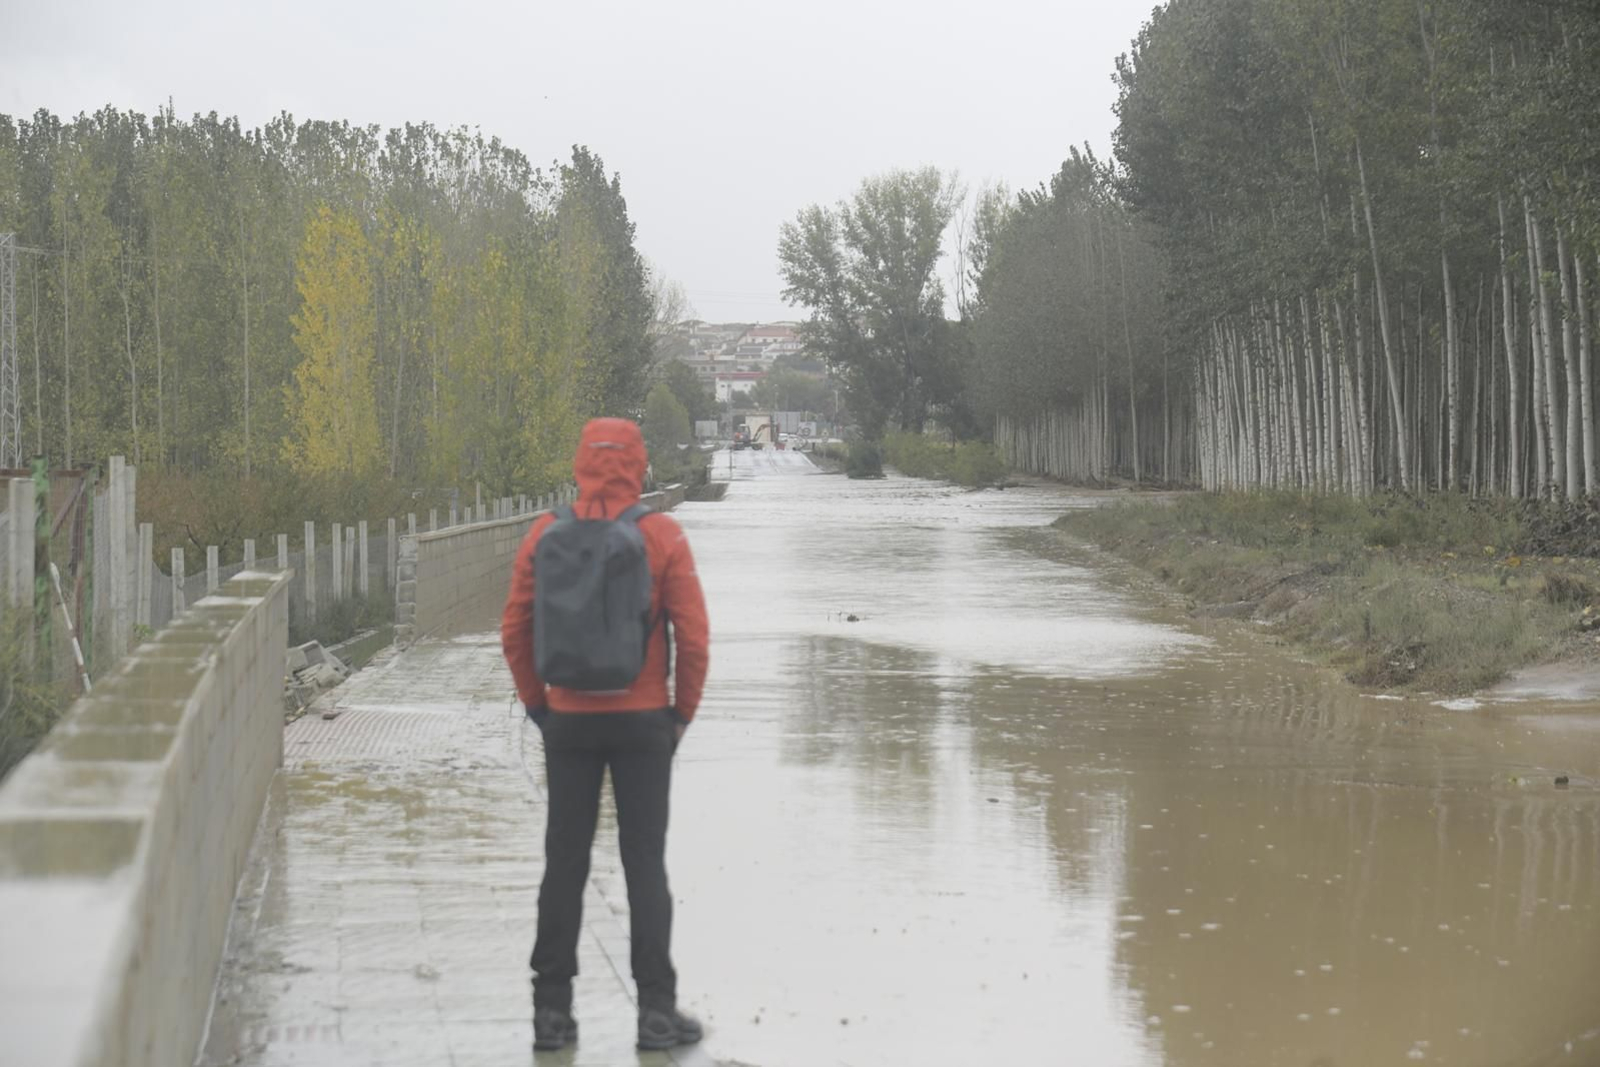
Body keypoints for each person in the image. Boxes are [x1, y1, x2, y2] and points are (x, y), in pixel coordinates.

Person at [501, 417, 710, 1053]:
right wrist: (679, 716)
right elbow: (694, 638)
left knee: (564, 862)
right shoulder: (661, 534)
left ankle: (551, 1015)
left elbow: (514, 630)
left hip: (568, 721)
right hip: (644, 722)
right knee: (644, 862)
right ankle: (656, 1015)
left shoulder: (544, 532)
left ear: (581, 464)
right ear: (639, 465)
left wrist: (540, 707)